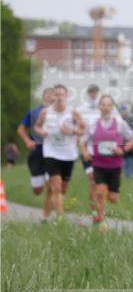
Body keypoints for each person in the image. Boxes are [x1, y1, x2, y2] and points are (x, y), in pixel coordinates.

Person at [81, 95, 133, 230]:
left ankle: (102, 208)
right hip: (98, 164)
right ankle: (101, 221)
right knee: (100, 192)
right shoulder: (93, 124)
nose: (106, 107)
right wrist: (85, 152)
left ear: (112, 108)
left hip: (114, 166)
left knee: (113, 198)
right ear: (99, 107)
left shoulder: (119, 123)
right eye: (103, 105)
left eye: (109, 105)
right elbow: (83, 141)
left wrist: (122, 150)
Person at [33, 84, 86, 221]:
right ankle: (61, 219)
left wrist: (72, 131)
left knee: (61, 190)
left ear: (66, 96)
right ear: (53, 96)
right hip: (51, 152)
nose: (59, 97)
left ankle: (45, 215)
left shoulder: (73, 112)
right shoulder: (46, 112)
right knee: (55, 187)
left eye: (62, 94)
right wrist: (42, 132)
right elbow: (36, 127)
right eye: (56, 94)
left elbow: (83, 129)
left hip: (68, 154)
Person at [75, 84, 105, 222]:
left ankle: (101, 214)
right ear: (88, 93)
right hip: (88, 151)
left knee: (101, 186)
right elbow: (77, 131)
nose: (93, 94)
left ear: (98, 93)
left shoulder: (105, 109)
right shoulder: (81, 110)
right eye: (91, 92)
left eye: (95, 91)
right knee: (93, 181)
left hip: (103, 152)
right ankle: (95, 214)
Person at [17, 88, 54, 196]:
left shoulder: (60, 112)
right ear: (43, 97)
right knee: (38, 189)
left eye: (53, 95)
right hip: (37, 152)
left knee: (53, 184)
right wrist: (28, 141)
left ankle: (51, 210)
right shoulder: (34, 112)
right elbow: (21, 129)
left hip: (53, 153)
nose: (50, 97)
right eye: (48, 94)